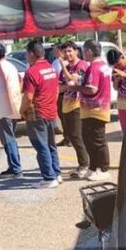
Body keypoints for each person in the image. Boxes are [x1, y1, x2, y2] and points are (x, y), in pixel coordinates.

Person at [20, 40, 63, 188]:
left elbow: (28, 97)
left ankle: (48, 177)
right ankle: (56, 174)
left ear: (31, 54)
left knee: (41, 146)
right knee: (51, 145)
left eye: (26, 53)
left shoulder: (31, 72)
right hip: (51, 112)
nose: (26, 56)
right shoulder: (50, 68)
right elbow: (56, 91)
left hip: (38, 114)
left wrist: (21, 110)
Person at [74, 40, 113, 182]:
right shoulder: (103, 66)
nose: (83, 53)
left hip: (95, 109)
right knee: (89, 140)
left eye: (84, 50)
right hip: (94, 109)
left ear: (89, 51)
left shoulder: (95, 67)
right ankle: (93, 167)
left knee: (98, 140)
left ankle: (103, 169)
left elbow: (92, 89)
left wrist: (73, 88)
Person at [57, 41, 91, 179]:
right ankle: (82, 163)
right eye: (65, 52)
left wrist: (64, 70)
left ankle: (85, 165)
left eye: (70, 51)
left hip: (78, 106)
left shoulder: (81, 65)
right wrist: (68, 83)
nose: (67, 54)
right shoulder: (65, 67)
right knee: (71, 136)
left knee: (77, 136)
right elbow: (60, 87)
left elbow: (73, 81)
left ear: (76, 51)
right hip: (66, 105)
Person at [0, 41, 23, 179]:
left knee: (8, 138)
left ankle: (16, 168)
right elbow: (20, 81)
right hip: (14, 105)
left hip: (4, 107)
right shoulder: (11, 65)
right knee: (9, 137)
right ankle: (13, 166)